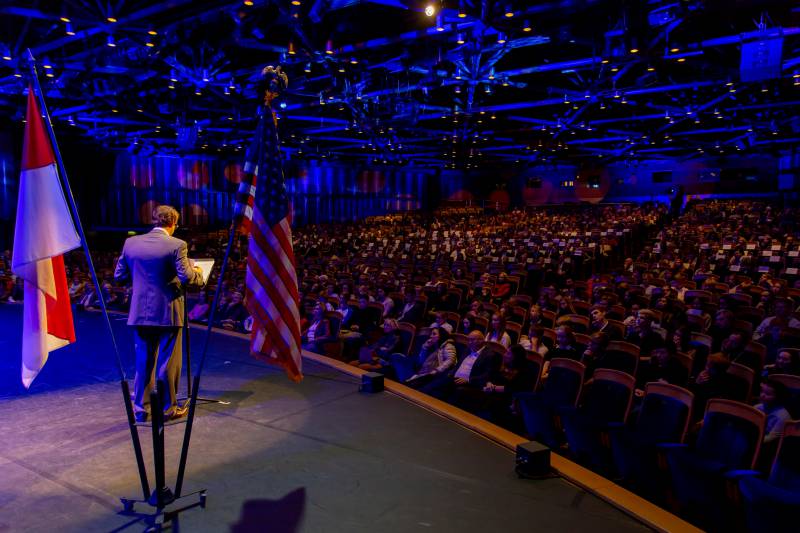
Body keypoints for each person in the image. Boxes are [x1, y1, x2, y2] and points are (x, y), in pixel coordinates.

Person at [114, 205, 204, 422]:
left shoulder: (131, 243)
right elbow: (186, 277)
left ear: (155, 220)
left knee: (144, 360)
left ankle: (142, 409)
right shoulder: (177, 245)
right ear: (173, 223)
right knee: (168, 362)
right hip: (168, 312)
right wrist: (198, 274)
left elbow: (119, 276)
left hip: (140, 313)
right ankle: (167, 409)